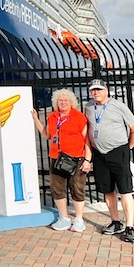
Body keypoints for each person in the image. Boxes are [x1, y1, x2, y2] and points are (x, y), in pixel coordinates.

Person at [85, 78, 134, 243]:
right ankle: (116, 222)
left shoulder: (118, 105)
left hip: (118, 151)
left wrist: (129, 147)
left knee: (125, 190)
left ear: (106, 91)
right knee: (107, 190)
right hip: (99, 154)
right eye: (93, 90)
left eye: (99, 90)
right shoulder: (88, 107)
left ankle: (130, 227)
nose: (96, 93)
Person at [31, 89, 91, 232]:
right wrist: (35, 119)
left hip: (76, 158)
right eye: (60, 100)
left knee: (77, 188)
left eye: (66, 101)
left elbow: (86, 139)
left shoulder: (79, 117)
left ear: (71, 103)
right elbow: (47, 135)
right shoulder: (52, 117)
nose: (63, 103)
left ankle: (79, 219)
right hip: (57, 158)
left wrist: (87, 160)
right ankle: (64, 217)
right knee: (57, 188)